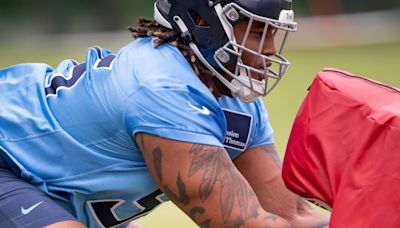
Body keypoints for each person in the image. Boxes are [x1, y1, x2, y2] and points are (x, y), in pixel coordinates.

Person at [0, 0, 329, 227]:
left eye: (272, 33)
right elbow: (241, 221)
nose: (269, 49)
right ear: (205, 23)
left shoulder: (232, 96)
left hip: (54, 186)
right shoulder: (161, 88)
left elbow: (292, 214)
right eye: (258, 33)